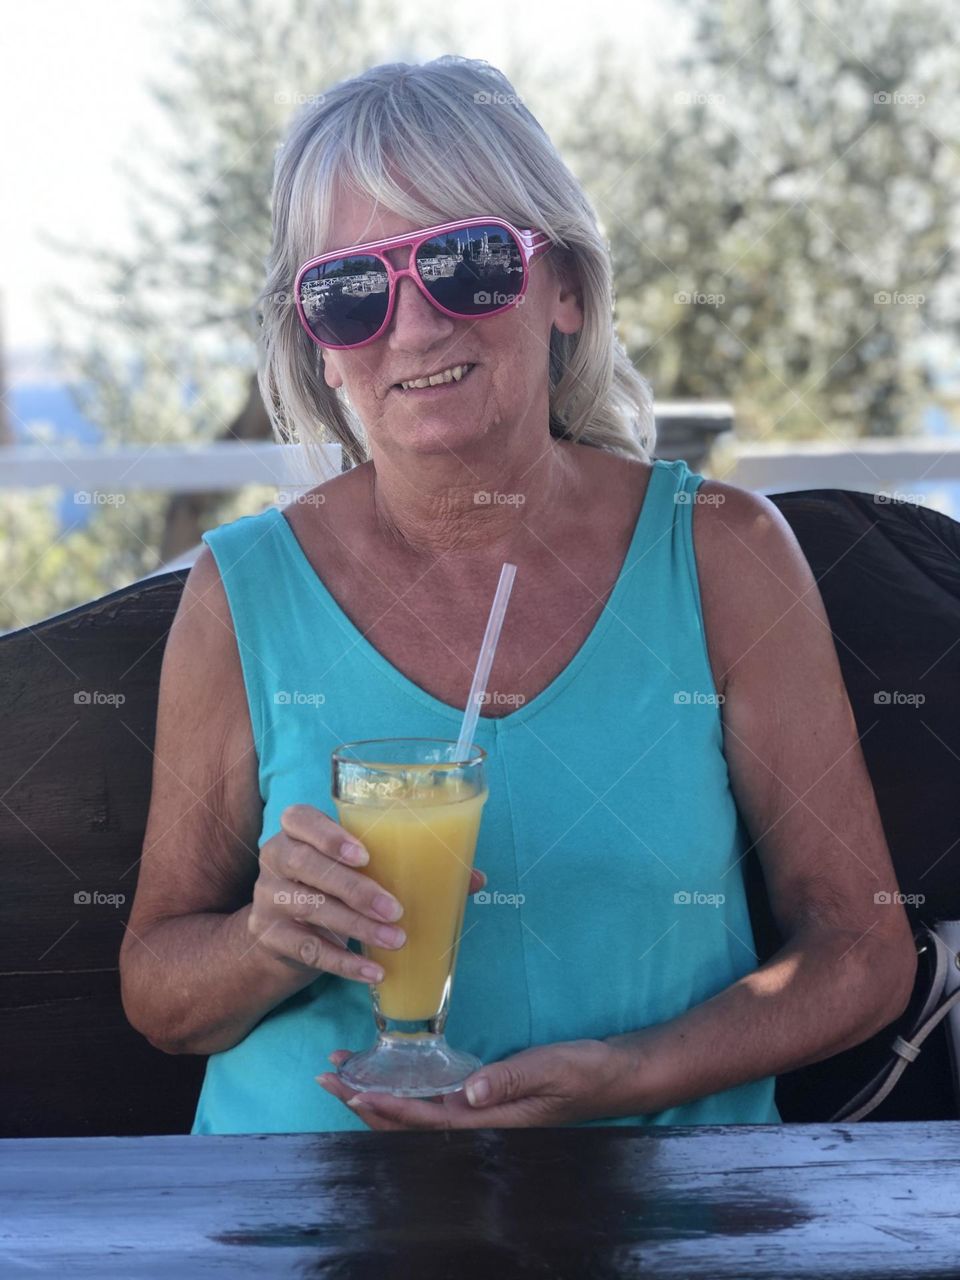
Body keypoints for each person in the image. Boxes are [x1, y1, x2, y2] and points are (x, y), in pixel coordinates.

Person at [119, 56, 917, 1135]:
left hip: (657, 1213)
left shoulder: (721, 555)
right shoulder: (244, 588)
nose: (412, 324)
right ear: (318, 340)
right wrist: (270, 933)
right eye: (354, 289)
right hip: (311, 1215)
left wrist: (634, 1072)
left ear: (567, 289)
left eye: (467, 262)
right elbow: (161, 993)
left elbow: (864, 948)